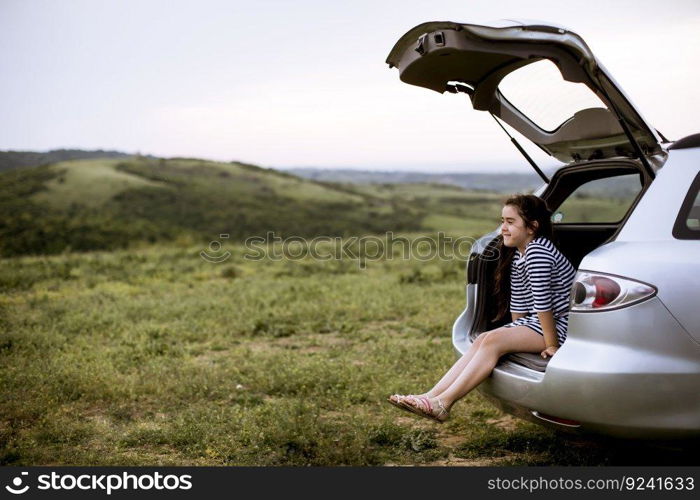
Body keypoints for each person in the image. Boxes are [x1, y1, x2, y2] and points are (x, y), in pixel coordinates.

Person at [388, 194, 576, 423]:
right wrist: (510, 334)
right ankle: (431, 397)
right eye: (502, 221)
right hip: (541, 323)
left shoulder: (538, 252)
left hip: (561, 326)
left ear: (532, 227)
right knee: (484, 339)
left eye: (510, 222)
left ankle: (442, 403)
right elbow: (518, 304)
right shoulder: (521, 254)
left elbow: (544, 305)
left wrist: (552, 345)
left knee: (492, 341)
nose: (503, 229)